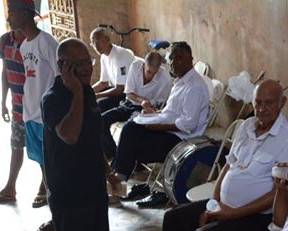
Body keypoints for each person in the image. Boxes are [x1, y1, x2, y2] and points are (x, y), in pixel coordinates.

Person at [157, 79, 288, 231]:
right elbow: (228, 165)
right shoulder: (246, 126)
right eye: (257, 102)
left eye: (269, 103)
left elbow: (276, 194)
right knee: (173, 218)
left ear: (283, 103)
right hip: (225, 205)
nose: (261, 109)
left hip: (257, 215)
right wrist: (215, 204)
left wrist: (233, 213)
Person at [42, 38, 132, 231]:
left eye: (87, 62)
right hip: (68, 192)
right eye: (77, 64)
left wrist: (107, 172)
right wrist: (78, 93)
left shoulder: (88, 92)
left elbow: (92, 138)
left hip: (92, 186)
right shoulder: (53, 98)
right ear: (61, 66)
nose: (85, 68)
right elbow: (69, 134)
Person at [110, 41, 209, 208]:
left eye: (179, 58)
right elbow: (170, 113)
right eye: (171, 58)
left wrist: (156, 126)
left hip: (181, 139)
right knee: (130, 128)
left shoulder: (194, 86)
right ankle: (118, 182)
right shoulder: (180, 81)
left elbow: (188, 124)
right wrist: (153, 116)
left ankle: (118, 183)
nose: (174, 62)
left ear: (190, 59)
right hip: (168, 128)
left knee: (134, 146)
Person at [8, 0, 58, 221]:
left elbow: (61, 78)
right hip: (31, 115)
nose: (9, 18)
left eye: (12, 13)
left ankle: (60, 217)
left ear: (27, 15)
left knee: (54, 169)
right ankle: (55, 215)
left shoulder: (46, 42)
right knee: (43, 167)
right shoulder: (24, 46)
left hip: (47, 116)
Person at [101, 51, 171, 159]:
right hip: (129, 104)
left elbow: (160, 105)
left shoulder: (165, 78)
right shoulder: (135, 66)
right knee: (102, 120)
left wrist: (149, 109)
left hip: (145, 111)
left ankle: (130, 159)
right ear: (144, 65)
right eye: (148, 72)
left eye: (154, 73)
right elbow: (128, 93)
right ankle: (114, 154)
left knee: (129, 128)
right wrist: (142, 100)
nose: (151, 76)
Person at [89, 27, 136, 114]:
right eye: (93, 43)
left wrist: (97, 95)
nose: (96, 46)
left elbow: (120, 89)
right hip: (117, 89)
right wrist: (88, 92)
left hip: (129, 93)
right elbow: (103, 83)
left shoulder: (121, 55)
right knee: (89, 102)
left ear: (108, 39)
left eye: (98, 42)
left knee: (99, 105)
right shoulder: (103, 57)